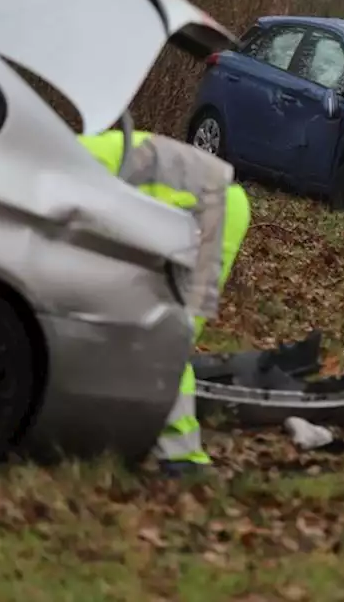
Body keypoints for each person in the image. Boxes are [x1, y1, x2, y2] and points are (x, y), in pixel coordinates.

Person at [78, 129, 251, 475]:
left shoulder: (70, 168)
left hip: (219, 209)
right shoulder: (69, 155)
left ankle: (181, 455)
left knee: (174, 333)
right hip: (191, 205)